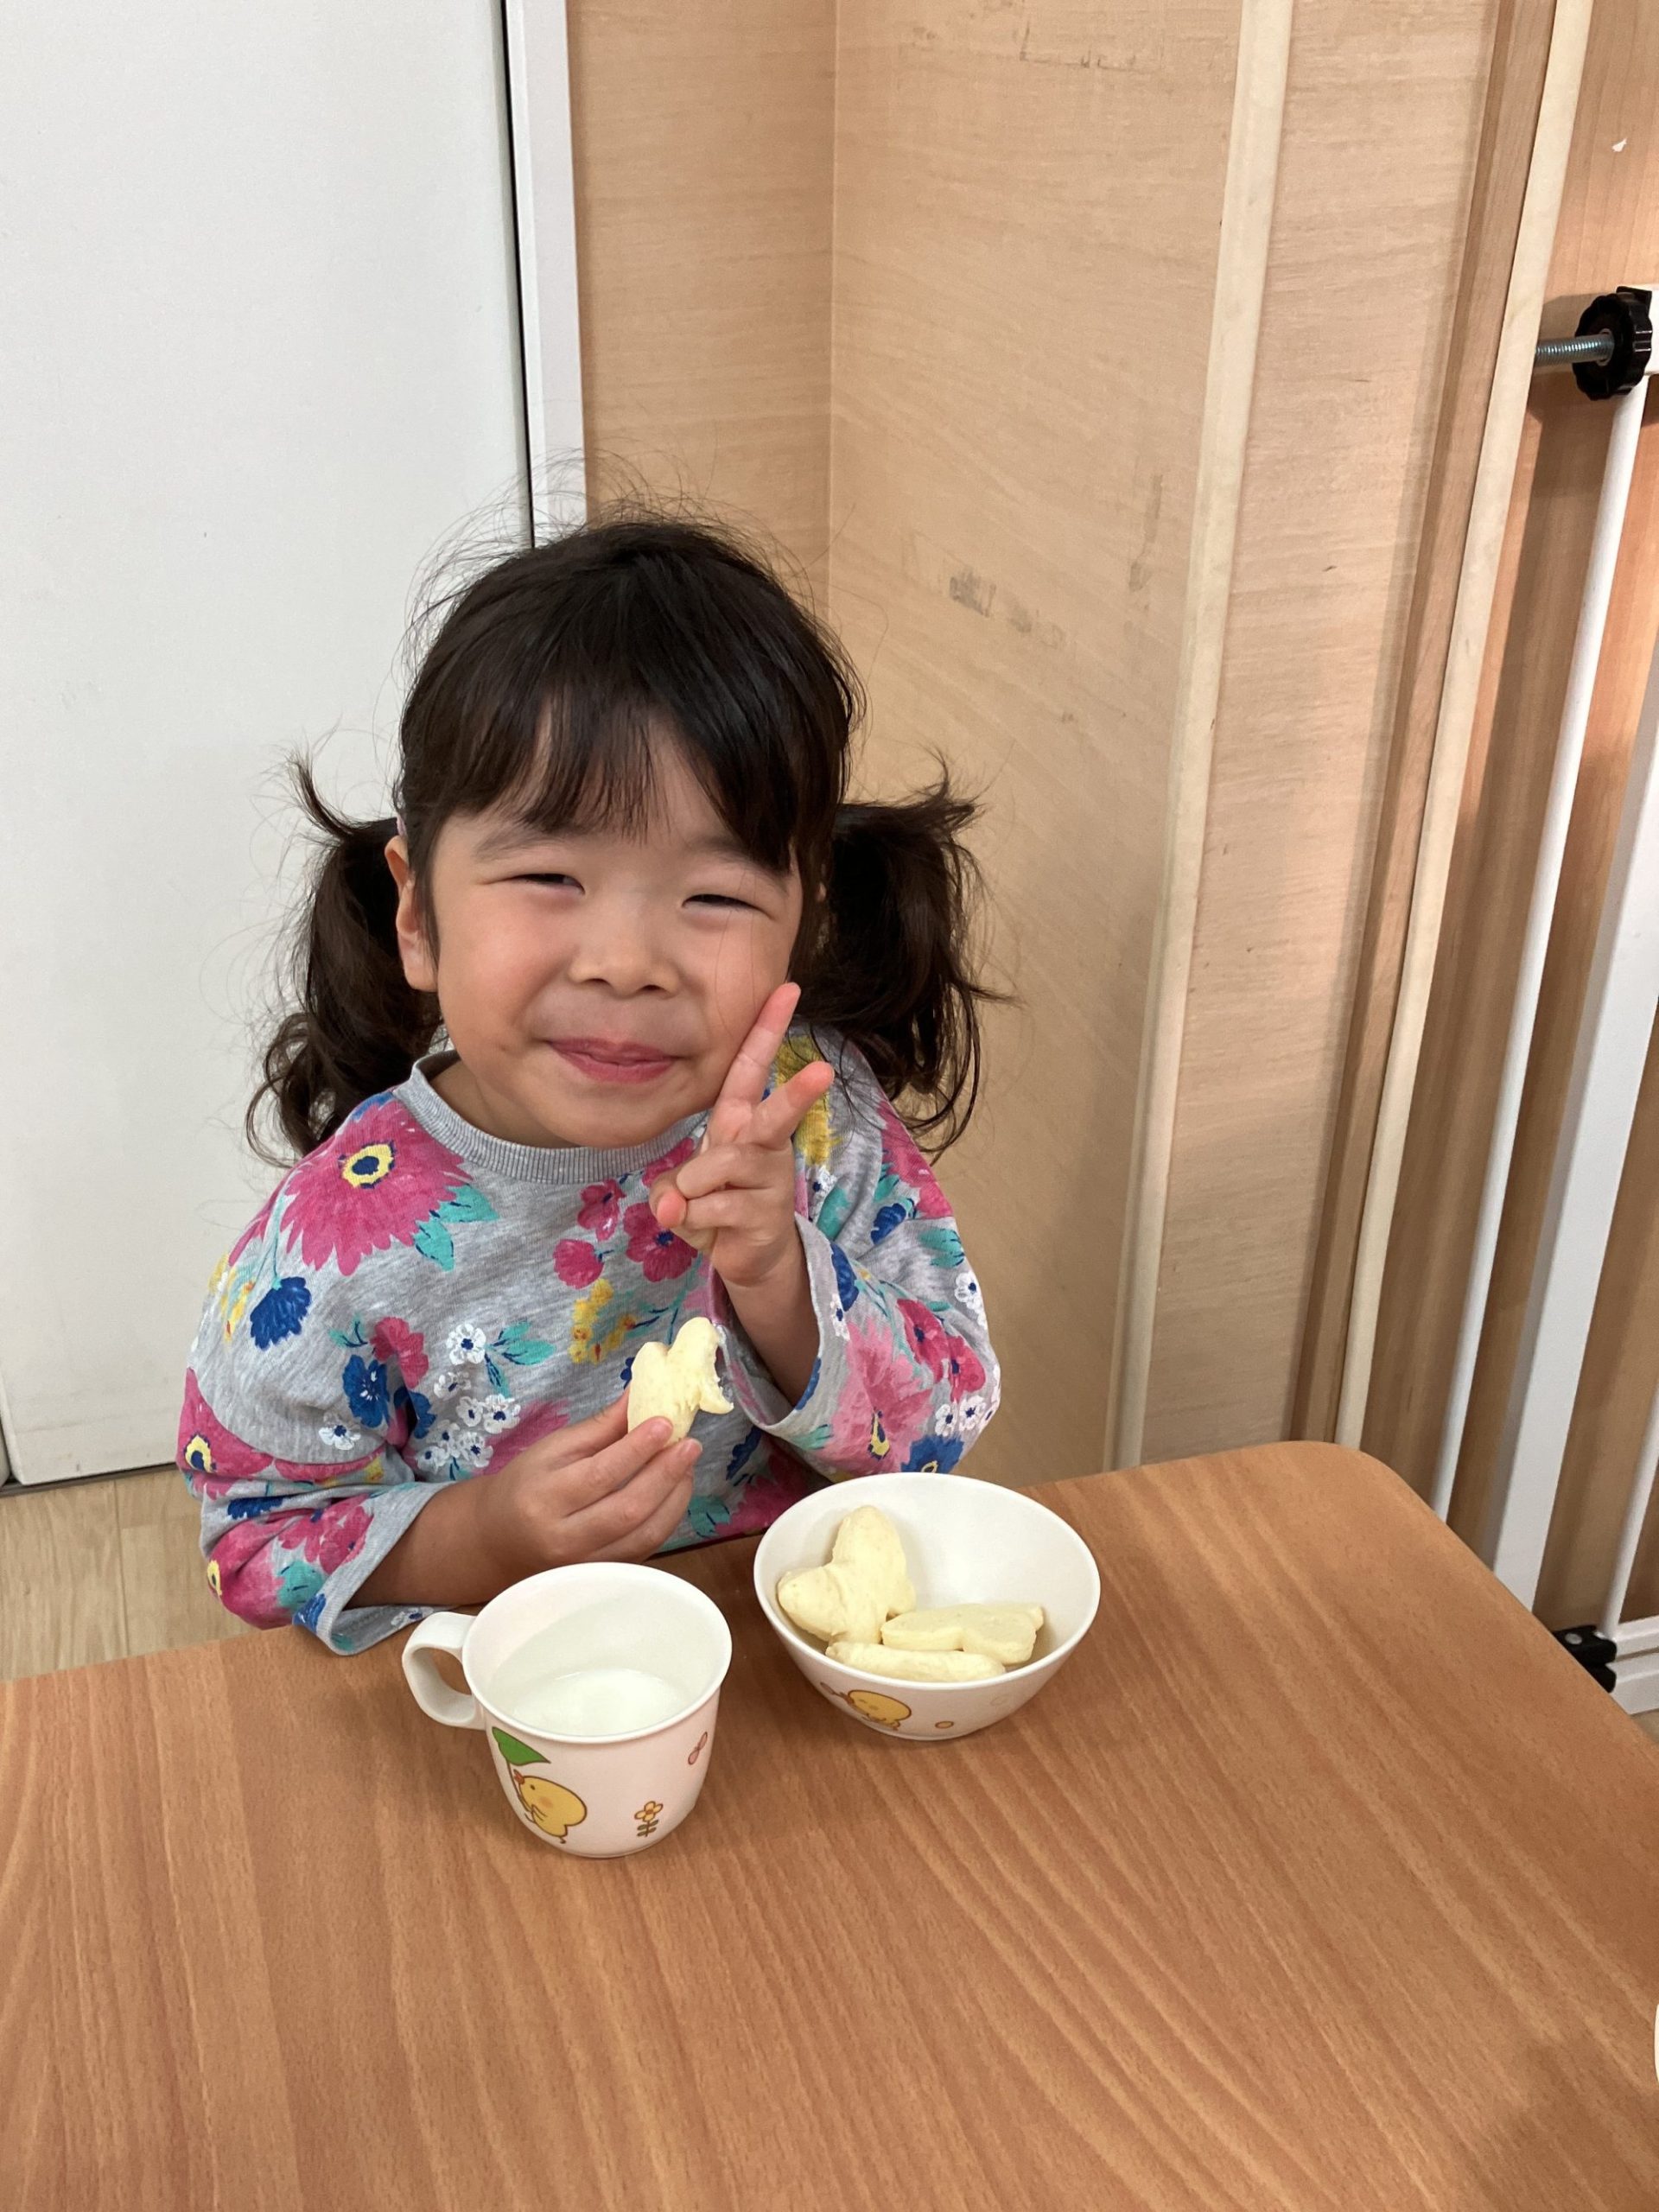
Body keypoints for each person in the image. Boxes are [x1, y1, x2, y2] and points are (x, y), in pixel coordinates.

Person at [179, 512, 1000, 1652]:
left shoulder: (815, 1123)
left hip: (777, 1668)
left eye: (714, 896)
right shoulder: (334, 1245)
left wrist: (779, 1278)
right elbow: (253, 1538)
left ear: (800, 922)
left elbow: (945, 1420)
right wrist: (481, 1537)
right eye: (550, 876)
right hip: (505, 1692)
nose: (626, 962)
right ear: (417, 912)